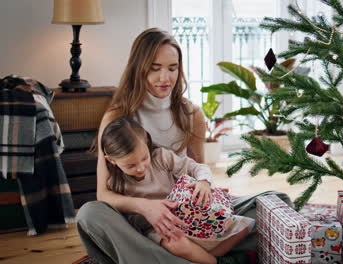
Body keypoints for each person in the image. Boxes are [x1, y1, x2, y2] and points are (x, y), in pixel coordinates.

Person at [76, 28, 292, 264]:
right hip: (138, 222)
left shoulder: (191, 114)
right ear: (139, 69)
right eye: (155, 68)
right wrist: (147, 208)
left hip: (187, 216)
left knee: (277, 202)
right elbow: (103, 193)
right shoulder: (116, 118)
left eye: (172, 67)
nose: (165, 78)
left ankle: (164, 256)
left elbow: (197, 171)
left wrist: (207, 195)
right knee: (89, 214)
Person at [100, 117, 255, 264]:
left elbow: (196, 167)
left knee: (244, 226)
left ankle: (206, 259)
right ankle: (218, 262)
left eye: (144, 158)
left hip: (188, 215)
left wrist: (203, 181)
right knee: (176, 244)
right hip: (158, 228)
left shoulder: (160, 157)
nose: (140, 168)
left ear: (147, 144)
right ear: (111, 161)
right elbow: (128, 221)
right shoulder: (116, 185)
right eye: (130, 166)